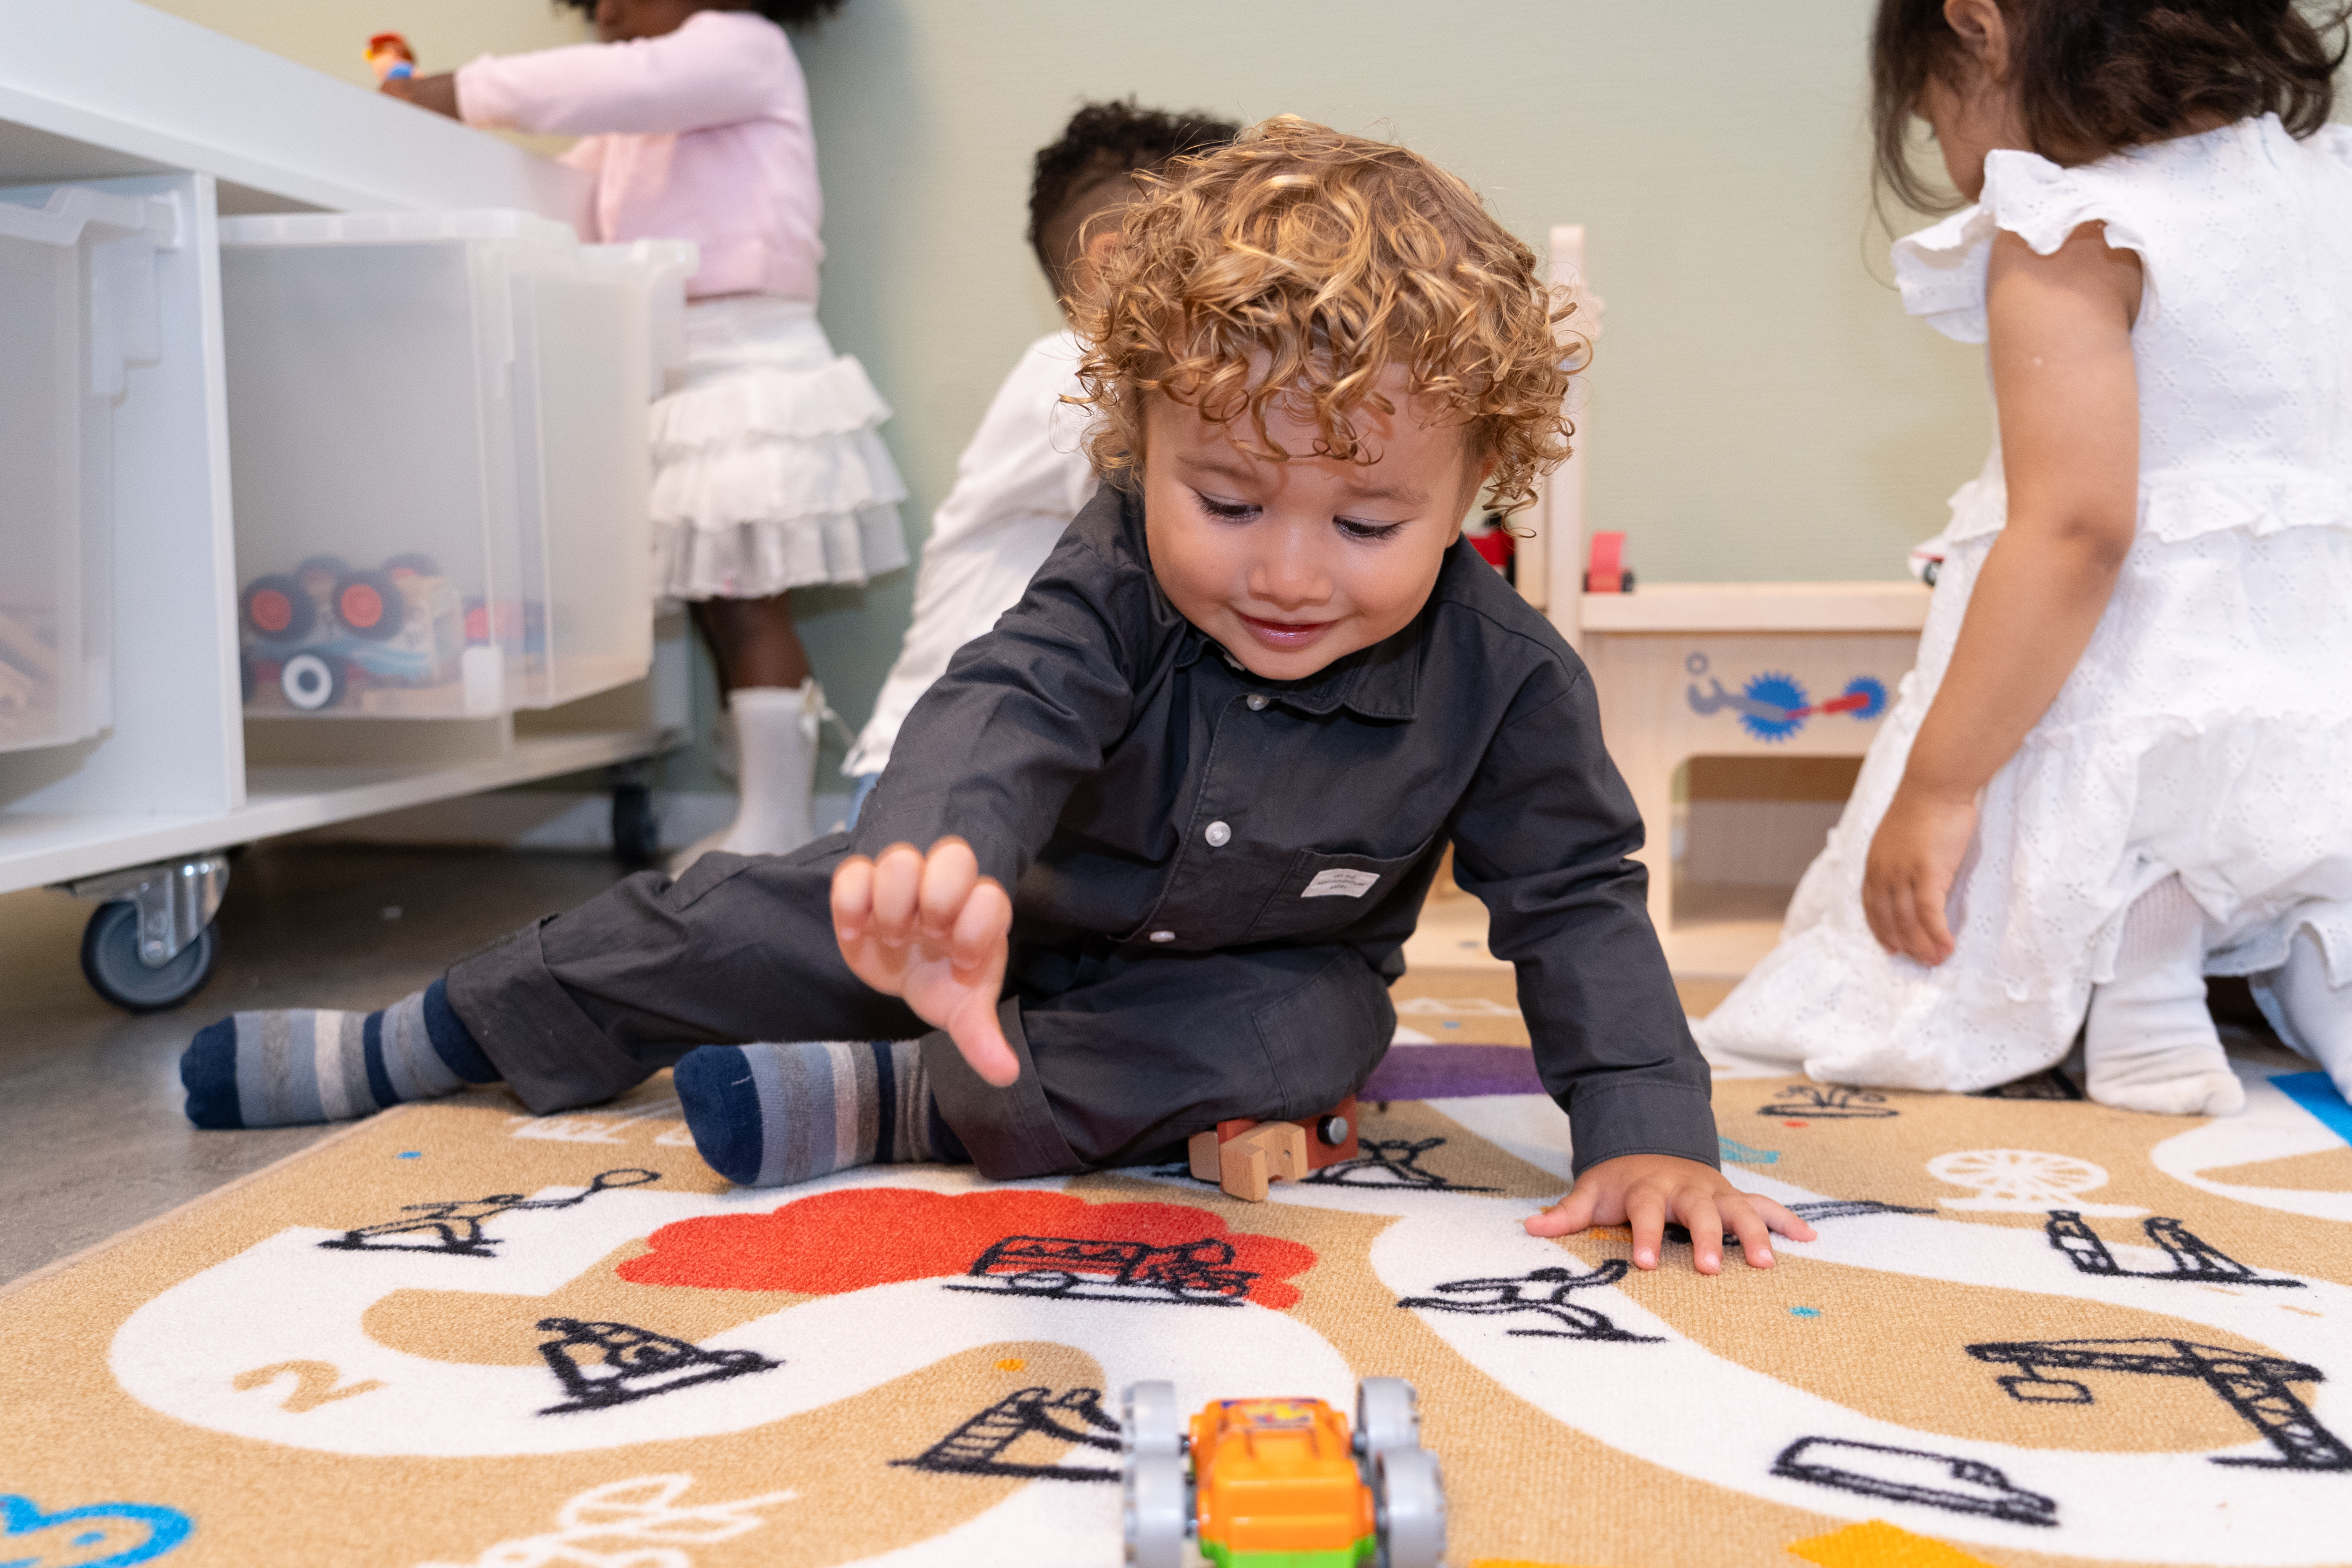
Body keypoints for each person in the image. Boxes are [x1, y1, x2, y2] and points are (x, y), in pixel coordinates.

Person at [182, 118, 1814, 1276]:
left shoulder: (1505, 673)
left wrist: (1651, 1124)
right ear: (1140, 443)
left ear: (1473, 490)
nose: (1293, 573)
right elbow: (1005, 699)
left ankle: (911, 1089)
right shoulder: (1110, 570)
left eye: (1369, 523)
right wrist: (930, 861)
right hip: (996, 916)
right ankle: (431, 1029)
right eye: (1229, 500)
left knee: (1315, 1033)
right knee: (721, 912)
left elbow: (1578, 899)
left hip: (1255, 976)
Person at [1698, 0, 2352, 1115]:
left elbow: (2074, 529)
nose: (1947, 156)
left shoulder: (2069, 226)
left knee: (2031, 770)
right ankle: (2261, 965)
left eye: (1928, 108)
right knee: (2262, 812)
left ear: (1977, 30)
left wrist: (1938, 788)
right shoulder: (2320, 185)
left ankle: (2138, 975)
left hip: (2144, 695)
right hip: (2308, 700)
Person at [383, 0, 906, 861]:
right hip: (678, 372)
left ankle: (777, 823)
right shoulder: (639, 125)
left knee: (744, 601)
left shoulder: (743, 51)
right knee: (717, 601)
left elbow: (616, 86)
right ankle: (769, 815)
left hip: (743, 364)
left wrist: (458, 92)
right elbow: (565, 182)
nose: (608, 15)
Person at [841, 100, 1241, 814]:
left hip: (1049, 780)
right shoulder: (1077, 366)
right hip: (939, 780)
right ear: (1113, 265)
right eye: (1234, 257)